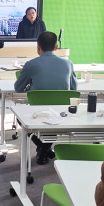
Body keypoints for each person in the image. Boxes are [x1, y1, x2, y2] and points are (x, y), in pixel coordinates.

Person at [14, 31, 77, 164]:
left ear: (38, 47)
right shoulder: (68, 64)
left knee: (20, 118)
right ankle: (45, 149)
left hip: (37, 111)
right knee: (53, 122)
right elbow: (74, 89)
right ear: (56, 47)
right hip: (61, 111)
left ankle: (42, 148)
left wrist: (31, 89)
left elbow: (18, 88)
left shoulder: (31, 64)